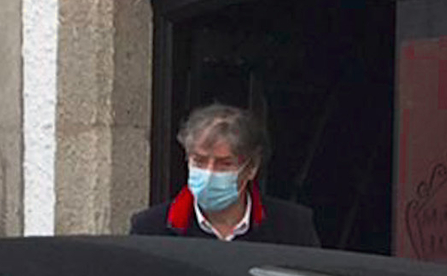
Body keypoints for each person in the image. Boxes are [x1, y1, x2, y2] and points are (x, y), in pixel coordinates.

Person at [129, 102, 321, 247]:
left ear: (251, 167)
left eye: (225, 164)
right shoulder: (150, 229)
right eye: (199, 161)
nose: (209, 173)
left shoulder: (292, 227)